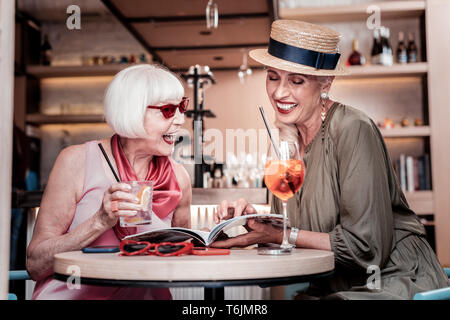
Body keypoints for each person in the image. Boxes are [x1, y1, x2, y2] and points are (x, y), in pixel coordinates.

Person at [212, 20, 449, 299]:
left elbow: (366, 248)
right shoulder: (287, 144)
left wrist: (280, 235)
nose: (279, 93)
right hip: (333, 284)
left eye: (296, 80)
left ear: (326, 82)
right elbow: (292, 235)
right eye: (273, 76)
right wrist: (257, 222)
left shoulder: (352, 129)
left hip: (393, 279)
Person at [27, 64, 192, 299]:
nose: (180, 120)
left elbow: (185, 260)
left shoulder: (179, 178)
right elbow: (35, 264)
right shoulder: (76, 161)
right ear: (132, 111)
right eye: (168, 110)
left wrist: (217, 235)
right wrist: (99, 222)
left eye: (182, 107)